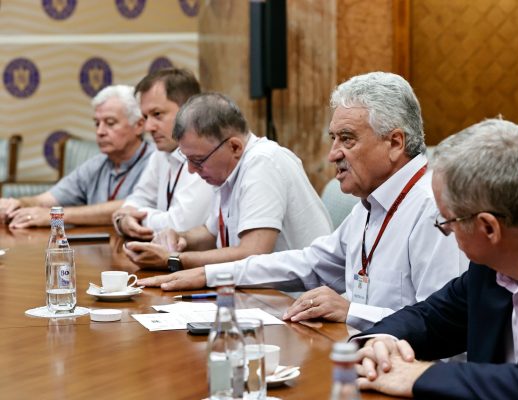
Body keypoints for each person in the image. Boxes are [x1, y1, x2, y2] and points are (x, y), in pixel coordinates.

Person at [138, 72, 467, 331]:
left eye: (347, 139)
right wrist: (210, 274)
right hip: (357, 354)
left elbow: (444, 325)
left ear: (394, 143)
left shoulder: (434, 207)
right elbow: (308, 264)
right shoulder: (370, 204)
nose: (333, 154)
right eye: (333, 139)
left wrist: (352, 311)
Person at [353, 119, 518, 399]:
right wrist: (381, 342)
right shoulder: (497, 257)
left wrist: (418, 375)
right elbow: (432, 318)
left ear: (489, 228)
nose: (446, 230)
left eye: (447, 221)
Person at [123, 92, 332, 273]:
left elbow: (252, 254)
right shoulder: (227, 171)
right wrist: (179, 238)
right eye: (187, 160)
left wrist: (174, 260)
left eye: (198, 160)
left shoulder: (264, 162)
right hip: (258, 293)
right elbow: (211, 232)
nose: (191, 170)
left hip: (298, 297)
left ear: (234, 147)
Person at [0, 85, 153, 228]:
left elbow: (133, 206)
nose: (100, 131)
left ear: (139, 125)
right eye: (97, 123)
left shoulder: (156, 161)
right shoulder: (97, 164)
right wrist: (18, 204)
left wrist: (55, 216)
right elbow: (46, 200)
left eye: (110, 123)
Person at [112, 68, 213, 240]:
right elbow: (138, 198)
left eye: (157, 114)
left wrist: (135, 217)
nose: (148, 127)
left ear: (189, 110)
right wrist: (124, 219)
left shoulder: (208, 154)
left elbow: (182, 225)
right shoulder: (161, 153)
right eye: (145, 117)